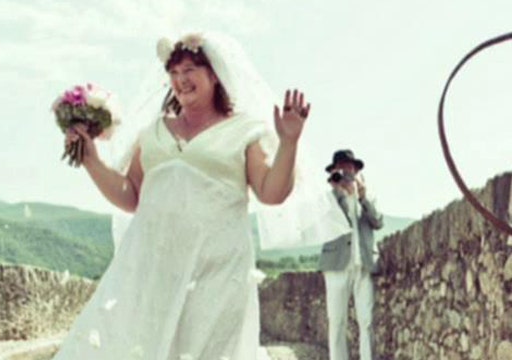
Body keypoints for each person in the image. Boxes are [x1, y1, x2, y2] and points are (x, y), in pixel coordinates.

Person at [52, 32, 310, 360]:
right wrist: (90, 160)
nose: (180, 80)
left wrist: (288, 142)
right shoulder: (154, 132)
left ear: (214, 75)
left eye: (189, 70)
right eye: (173, 73)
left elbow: (271, 192)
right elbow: (131, 196)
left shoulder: (243, 130)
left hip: (218, 270)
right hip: (156, 267)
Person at [318, 149, 384, 360]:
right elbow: (325, 223)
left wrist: (363, 197)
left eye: (349, 167)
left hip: (363, 265)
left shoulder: (366, 197)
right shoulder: (328, 199)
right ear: (334, 171)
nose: (346, 172)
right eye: (342, 168)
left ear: (356, 170)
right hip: (336, 266)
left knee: (367, 321)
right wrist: (339, 192)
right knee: (337, 321)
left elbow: (378, 222)